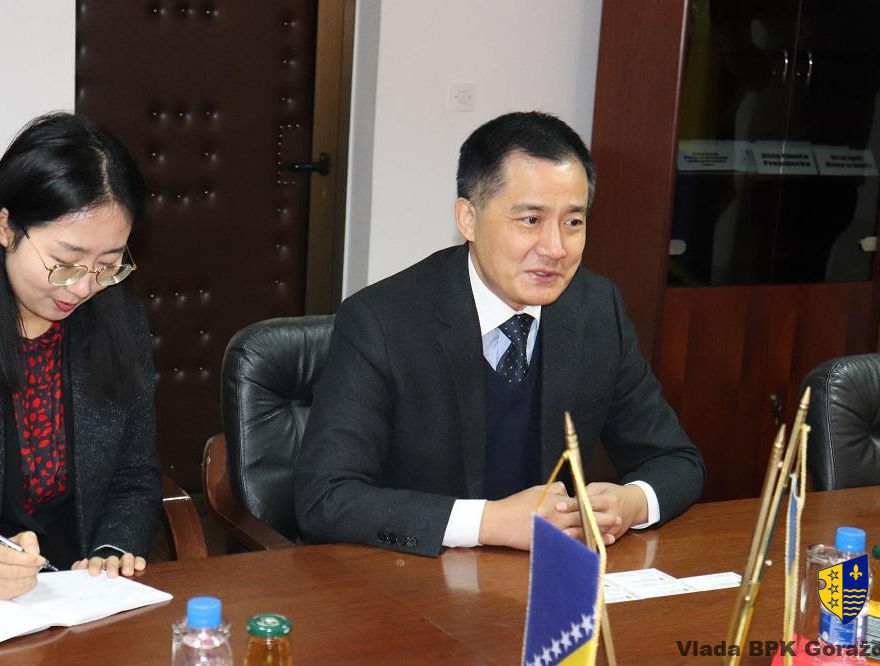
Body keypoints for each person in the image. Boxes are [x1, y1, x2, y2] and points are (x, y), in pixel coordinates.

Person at [295, 111, 705, 557]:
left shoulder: (595, 308)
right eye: (530, 220)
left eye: (573, 222)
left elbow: (676, 460)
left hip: (545, 577)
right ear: (468, 219)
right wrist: (489, 522)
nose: (555, 248)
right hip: (415, 576)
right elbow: (325, 497)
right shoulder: (381, 321)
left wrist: (631, 503)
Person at [0, 112, 161, 598]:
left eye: (108, 265)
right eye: (65, 263)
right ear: (6, 227)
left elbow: (135, 474)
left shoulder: (120, 321)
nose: (84, 287)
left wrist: (112, 552)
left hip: (77, 593)